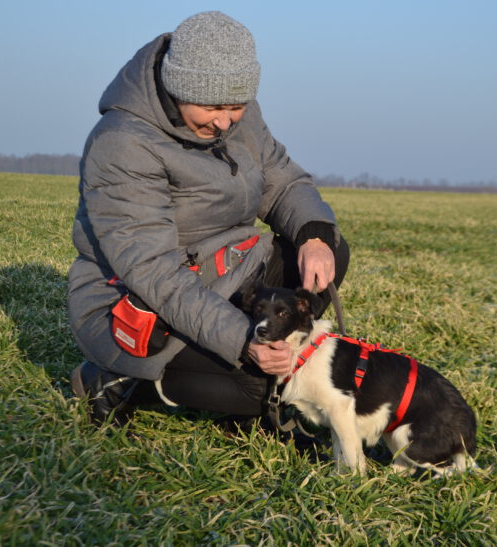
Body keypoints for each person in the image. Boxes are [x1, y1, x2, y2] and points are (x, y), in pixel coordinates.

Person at [68, 11, 350, 428]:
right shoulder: (122, 143)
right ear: (176, 87)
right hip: (138, 300)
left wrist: (313, 237)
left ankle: (249, 393)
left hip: (228, 267)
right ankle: (117, 381)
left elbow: (283, 180)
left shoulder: (241, 117)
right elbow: (155, 274)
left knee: (329, 252)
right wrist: (242, 340)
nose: (224, 122)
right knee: (259, 381)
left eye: (235, 106)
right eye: (213, 106)